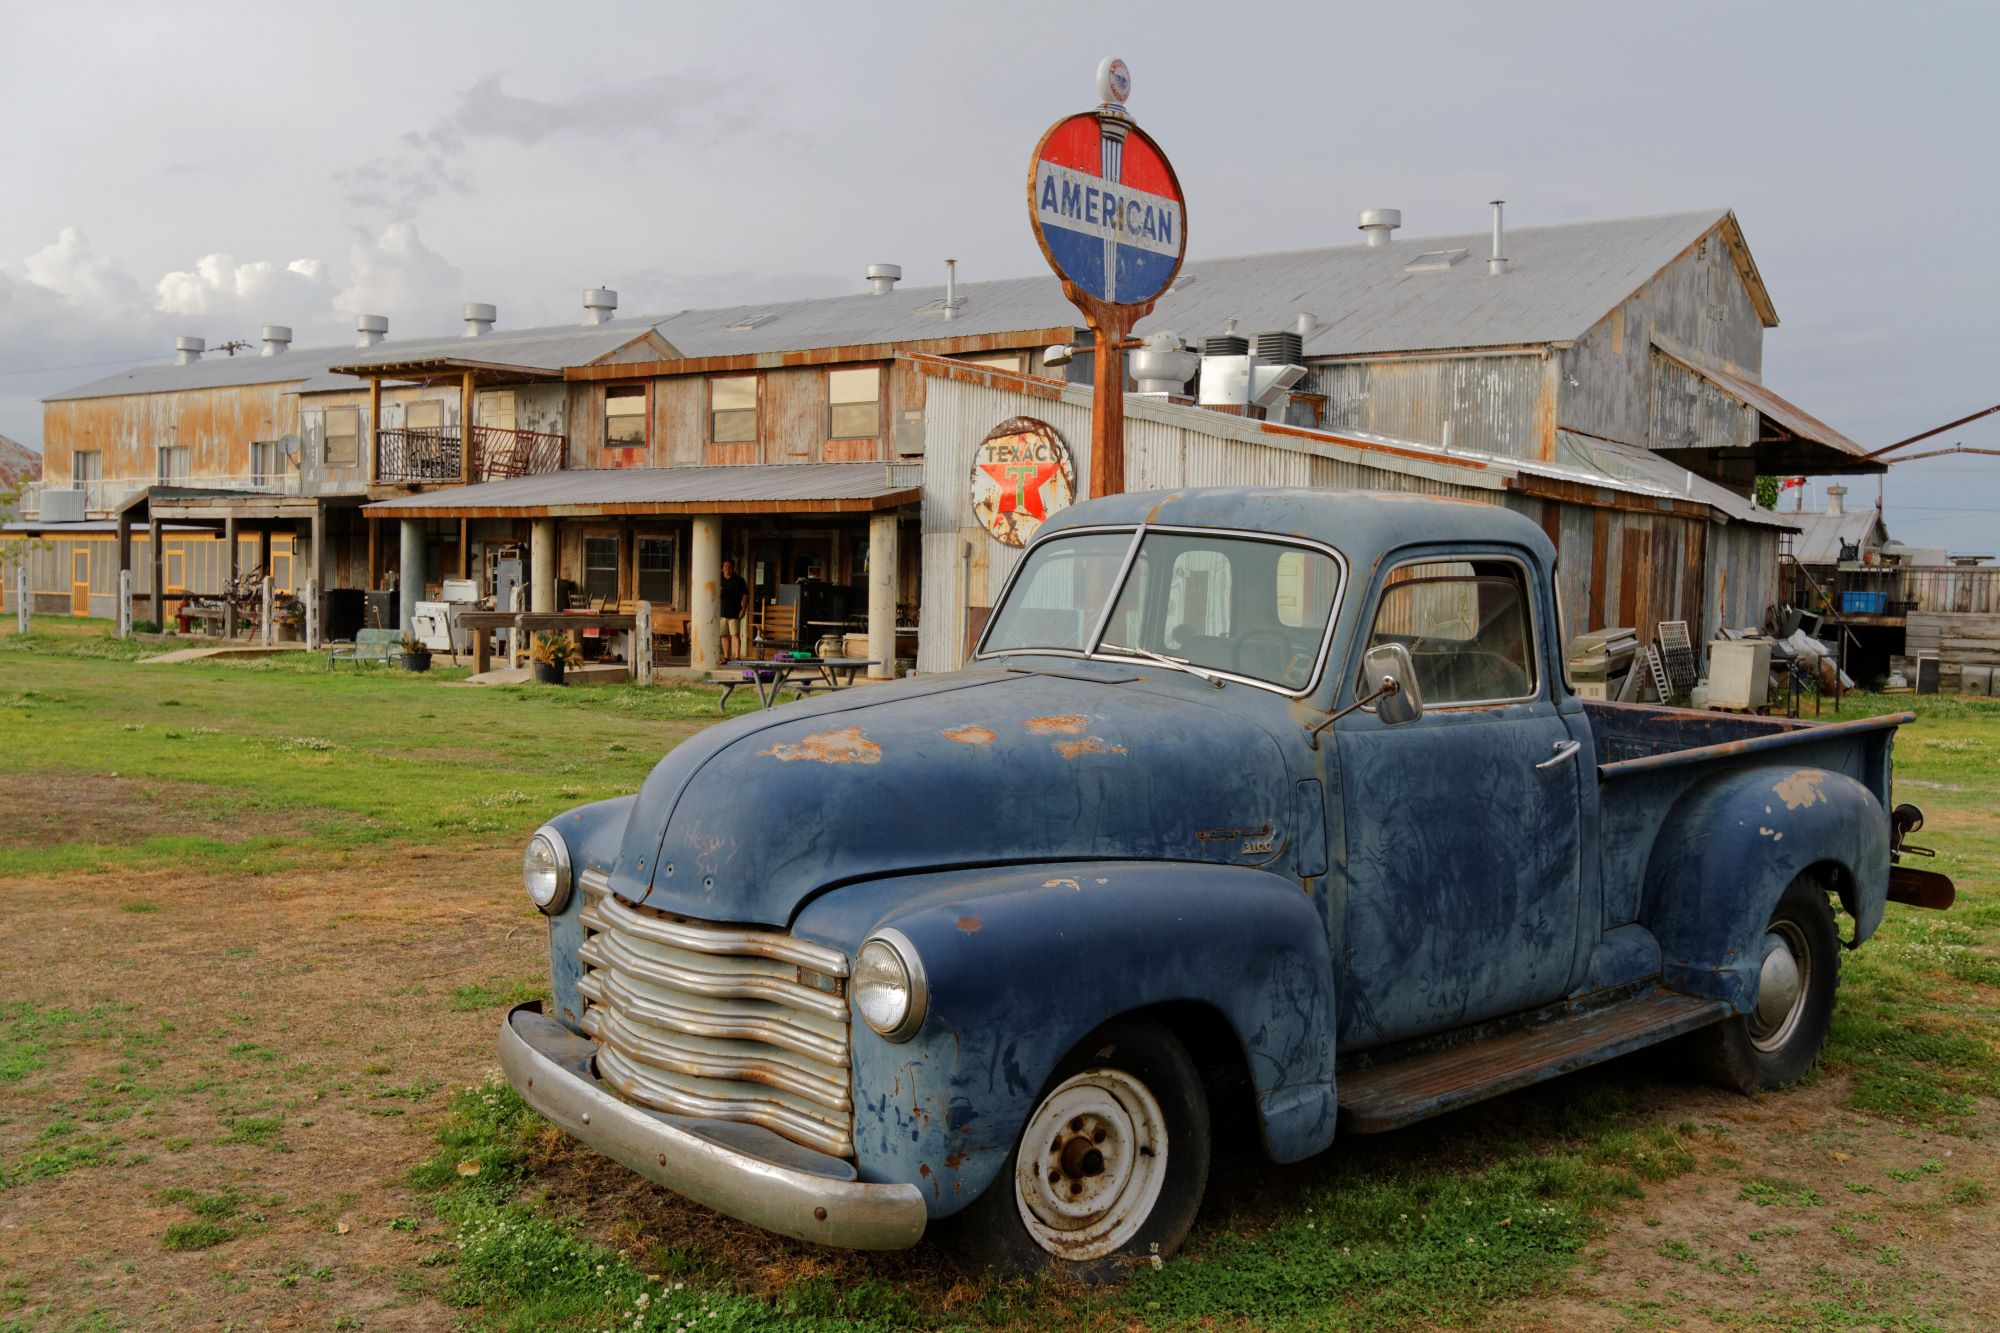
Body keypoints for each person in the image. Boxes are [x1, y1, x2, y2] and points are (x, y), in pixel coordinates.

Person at [719, 558, 750, 661]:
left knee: (735, 635)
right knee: (724, 635)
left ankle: (737, 657)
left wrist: (743, 610)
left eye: (730, 566)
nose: (728, 568)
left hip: (735, 611)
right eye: (726, 566)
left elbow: (745, 595)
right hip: (721, 612)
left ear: (733, 568)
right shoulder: (718, 579)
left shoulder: (739, 580)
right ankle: (726, 657)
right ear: (722, 568)